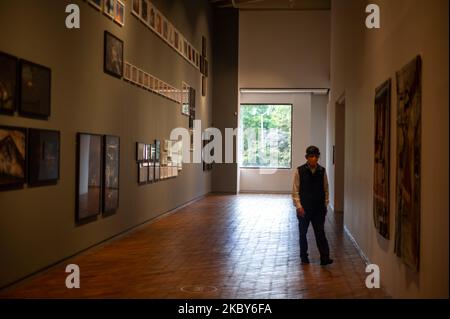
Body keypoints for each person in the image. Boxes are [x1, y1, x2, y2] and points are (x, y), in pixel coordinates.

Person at [292, 146, 333, 266]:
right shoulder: (299, 171)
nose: (313, 158)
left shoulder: (322, 171)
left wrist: (325, 204)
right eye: (311, 156)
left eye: (316, 156)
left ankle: (324, 257)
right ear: (307, 157)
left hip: (319, 208)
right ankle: (304, 257)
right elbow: (295, 190)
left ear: (318, 157)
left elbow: (326, 189)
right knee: (302, 233)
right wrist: (298, 206)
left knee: (320, 232)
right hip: (304, 208)